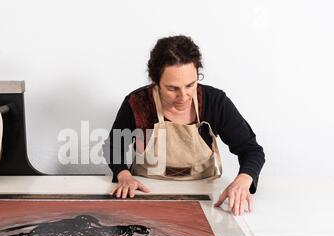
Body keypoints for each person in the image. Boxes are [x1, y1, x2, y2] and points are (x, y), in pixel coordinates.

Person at [102, 35, 265, 215]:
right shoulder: (138, 103)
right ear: (156, 83)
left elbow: (251, 150)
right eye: (172, 89)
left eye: (190, 85)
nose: (184, 96)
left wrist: (242, 181)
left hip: (204, 196)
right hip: (146, 193)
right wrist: (123, 175)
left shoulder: (215, 102)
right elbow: (113, 146)